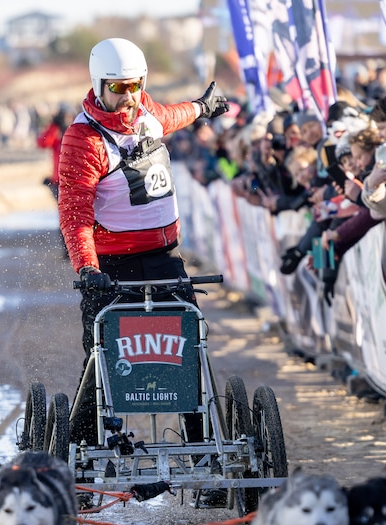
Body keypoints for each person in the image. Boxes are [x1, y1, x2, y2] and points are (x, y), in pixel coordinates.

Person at [57, 37, 229, 447]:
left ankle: (203, 452)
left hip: (164, 258)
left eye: (135, 85)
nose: (129, 96)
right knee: (99, 363)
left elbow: (170, 115)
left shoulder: (145, 110)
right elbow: (74, 213)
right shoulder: (84, 139)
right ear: (99, 86)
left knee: (189, 352)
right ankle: (81, 459)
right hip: (110, 268)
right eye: (118, 88)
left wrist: (202, 108)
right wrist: (86, 267)